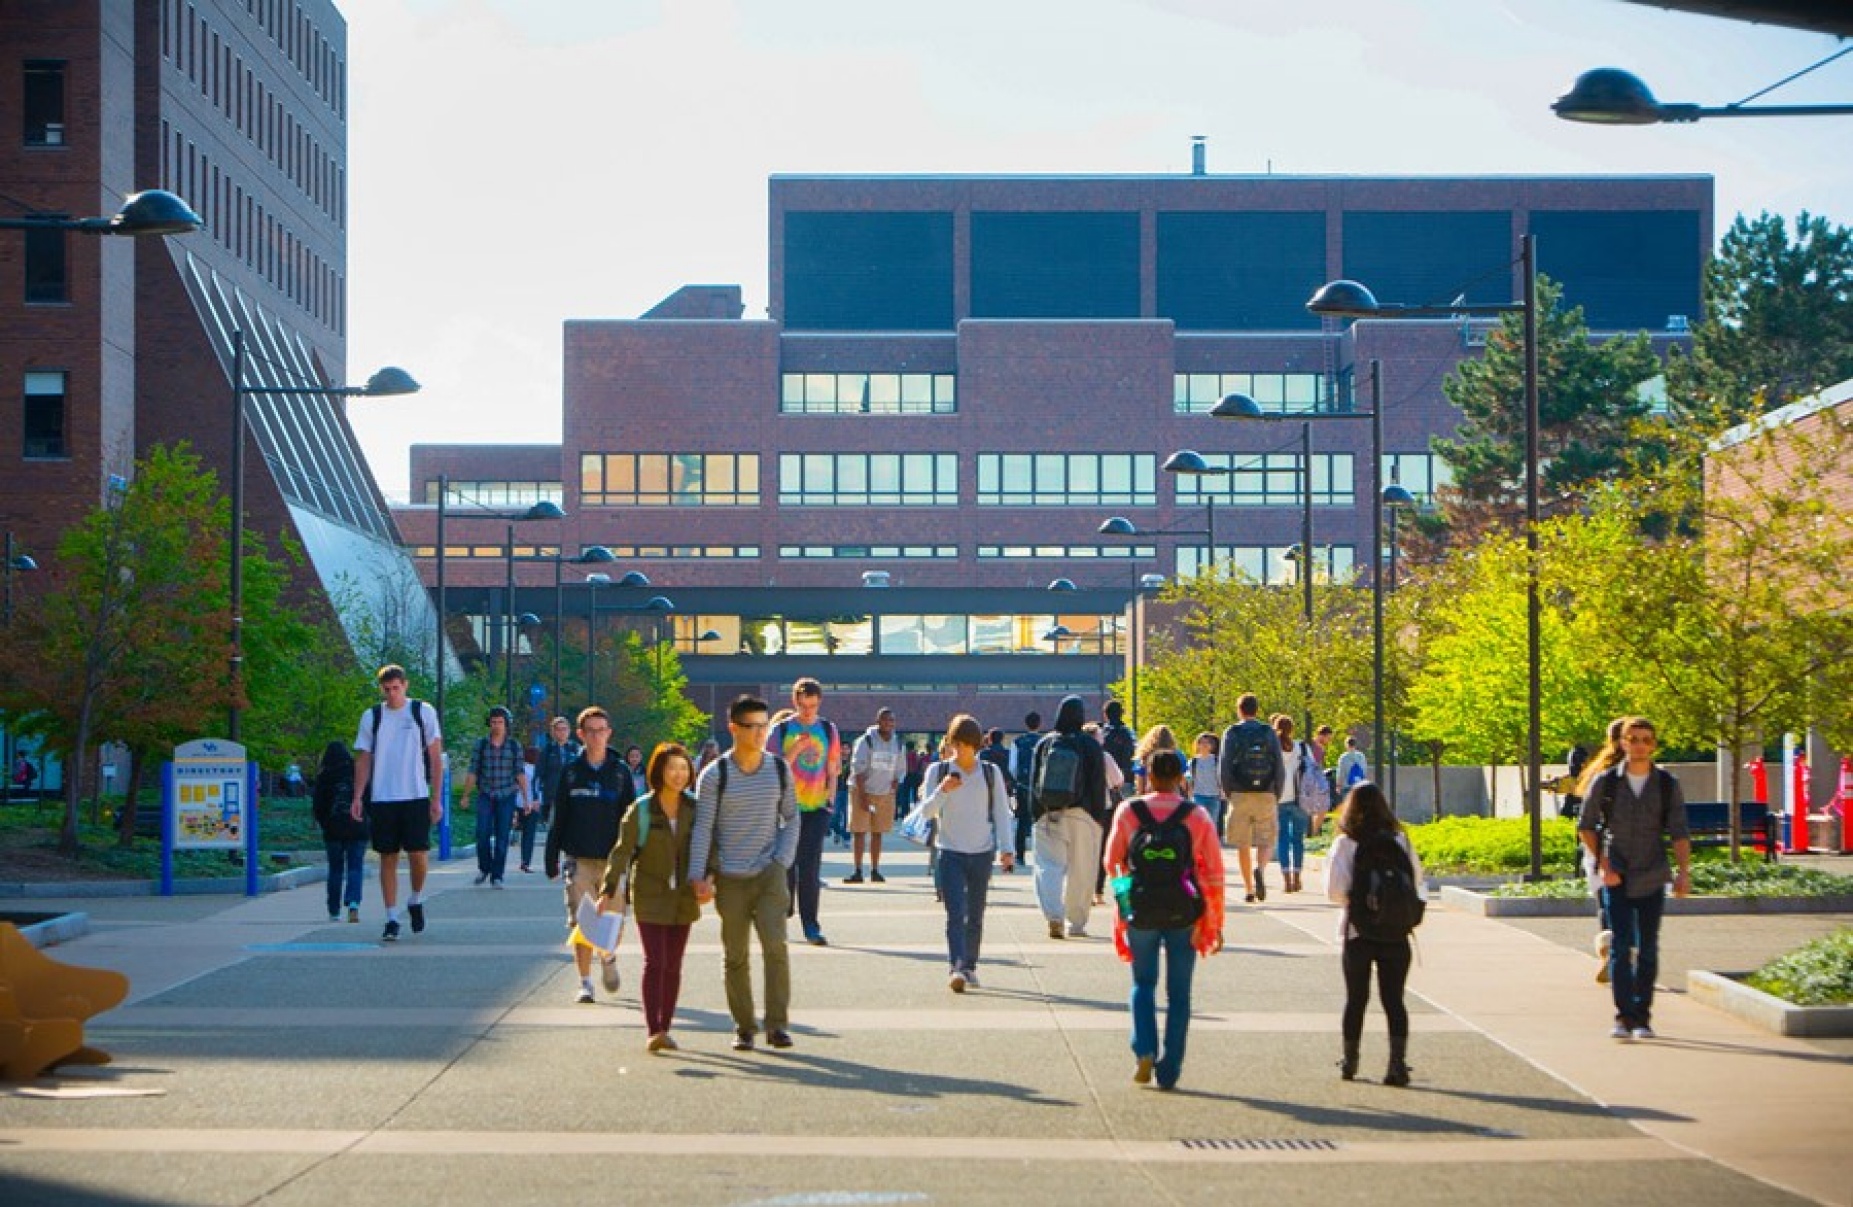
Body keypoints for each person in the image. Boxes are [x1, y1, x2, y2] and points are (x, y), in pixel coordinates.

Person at [1104, 748, 1224, 1090]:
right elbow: (1214, 871)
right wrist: (1212, 919)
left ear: (1148, 774)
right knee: (1180, 994)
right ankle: (1170, 1067)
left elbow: (1112, 862)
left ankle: (1144, 1048)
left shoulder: (1130, 811)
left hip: (1141, 907)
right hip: (1182, 909)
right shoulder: (1197, 815)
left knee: (1143, 983)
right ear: (1180, 777)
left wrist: (1125, 900)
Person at [690, 695, 800, 1052]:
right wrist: (699, 875)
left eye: (764, 726)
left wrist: (782, 860)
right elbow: (703, 828)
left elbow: (792, 817)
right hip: (730, 877)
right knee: (735, 954)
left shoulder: (779, 770)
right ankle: (743, 1026)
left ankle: (777, 1025)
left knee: (775, 947)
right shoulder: (714, 775)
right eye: (752, 727)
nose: (760, 733)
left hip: (769, 873)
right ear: (733, 728)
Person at [1578, 716, 1691, 1041]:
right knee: (1621, 945)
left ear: (1653, 745)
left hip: (1653, 873)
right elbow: (1586, 825)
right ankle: (1624, 1016)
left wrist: (1684, 872)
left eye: (1645, 739)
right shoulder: (1606, 782)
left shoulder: (1667, 784)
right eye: (1633, 738)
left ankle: (1643, 1017)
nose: (1639, 745)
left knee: (1648, 948)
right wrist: (1603, 864)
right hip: (1617, 873)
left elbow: (1679, 831)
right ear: (1623, 743)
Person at [600, 742, 702, 1052]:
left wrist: (710, 878)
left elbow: (708, 848)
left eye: (683, 768)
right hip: (649, 892)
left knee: (673, 964)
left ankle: (665, 1027)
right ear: (659, 771)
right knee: (655, 961)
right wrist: (609, 888)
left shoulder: (695, 809)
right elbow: (621, 852)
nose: (678, 774)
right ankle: (653, 1028)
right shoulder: (642, 809)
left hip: (683, 895)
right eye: (672, 768)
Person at [1326, 781, 1427, 1086]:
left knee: (1356, 998)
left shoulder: (1346, 843)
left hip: (1358, 930)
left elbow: (1335, 891)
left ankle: (1350, 1061)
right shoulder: (1400, 840)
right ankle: (1397, 1063)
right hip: (1396, 931)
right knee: (1394, 999)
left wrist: (1360, 904)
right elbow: (1417, 881)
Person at [918, 715, 1016, 992]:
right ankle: (957, 967)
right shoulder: (937, 772)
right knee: (954, 912)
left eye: (965, 746)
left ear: (976, 746)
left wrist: (1007, 850)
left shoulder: (990, 773)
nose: (959, 752)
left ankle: (970, 965)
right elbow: (925, 812)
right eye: (955, 745)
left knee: (975, 913)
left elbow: (1001, 813)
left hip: (982, 852)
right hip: (949, 851)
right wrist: (942, 790)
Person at [348, 664, 444, 944]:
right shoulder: (373, 716)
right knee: (387, 856)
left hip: (414, 793)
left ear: (405, 685)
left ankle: (415, 898)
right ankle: (391, 917)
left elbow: (436, 757)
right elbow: (364, 757)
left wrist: (436, 797)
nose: (392, 694)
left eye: (396, 688)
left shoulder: (421, 712)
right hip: (383, 796)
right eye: (387, 689)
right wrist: (357, 795)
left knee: (418, 854)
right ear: (381, 689)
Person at [545, 706, 634, 1003]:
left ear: (609, 733)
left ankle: (608, 957)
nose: (596, 736)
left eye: (602, 730)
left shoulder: (620, 773)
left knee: (612, 921)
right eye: (590, 731)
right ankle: (584, 981)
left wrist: (634, 856)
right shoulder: (571, 773)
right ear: (581, 734)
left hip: (613, 859)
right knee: (582, 921)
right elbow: (560, 816)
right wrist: (551, 855)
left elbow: (631, 817)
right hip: (578, 857)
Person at [1030, 695, 1110, 939]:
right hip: (1084, 814)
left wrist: (1036, 814)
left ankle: (1054, 915)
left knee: (1048, 866)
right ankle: (1076, 923)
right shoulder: (1090, 745)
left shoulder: (1045, 744)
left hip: (1048, 811)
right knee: (1082, 871)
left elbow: (1033, 781)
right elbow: (1098, 784)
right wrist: (1098, 818)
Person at [768, 678, 840, 946]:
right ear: (795, 702)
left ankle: (811, 924)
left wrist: (830, 800)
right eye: (803, 705)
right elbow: (772, 769)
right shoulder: (782, 729)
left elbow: (832, 768)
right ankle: (784, 909)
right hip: (787, 809)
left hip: (816, 807)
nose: (808, 711)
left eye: (813, 705)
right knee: (786, 864)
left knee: (810, 868)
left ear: (819, 702)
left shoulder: (827, 729)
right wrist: (795, 750)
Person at [1218, 693, 1287, 905]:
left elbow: (1225, 764)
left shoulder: (1232, 732)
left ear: (1239, 710)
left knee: (1243, 842)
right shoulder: (1268, 732)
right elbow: (1278, 765)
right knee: (1266, 839)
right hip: (1266, 791)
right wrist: (1276, 791)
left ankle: (1248, 888)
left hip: (1240, 792)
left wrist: (1229, 791)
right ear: (1257, 710)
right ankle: (1261, 868)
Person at [1576, 719, 1627, 984]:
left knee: (1607, 904)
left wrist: (1596, 854)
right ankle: (1622, 951)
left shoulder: (1597, 773)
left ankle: (1609, 946)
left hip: (1600, 849)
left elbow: (1586, 822)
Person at [459, 706, 529, 888]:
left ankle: (497, 875)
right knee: (482, 833)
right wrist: (466, 795)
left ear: (506, 724)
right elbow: (473, 770)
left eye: (500, 722)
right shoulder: (481, 745)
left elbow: (520, 773)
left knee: (502, 837)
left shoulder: (514, 746)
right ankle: (484, 867)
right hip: (486, 794)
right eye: (493, 722)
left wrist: (526, 799)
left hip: (506, 795)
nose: (496, 726)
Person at [845, 707, 903, 884]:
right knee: (859, 832)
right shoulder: (866, 741)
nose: (889, 724)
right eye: (885, 720)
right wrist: (862, 797)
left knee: (878, 832)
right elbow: (858, 771)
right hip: (861, 791)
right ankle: (857, 870)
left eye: (892, 720)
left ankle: (875, 870)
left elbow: (900, 770)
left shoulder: (898, 744)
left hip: (884, 794)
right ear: (878, 721)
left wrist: (895, 785)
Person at [312, 741, 366, 923]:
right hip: (357, 826)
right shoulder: (357, 773)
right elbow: (369, 798)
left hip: (333, 829)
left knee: (335, 869)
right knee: (355, 866)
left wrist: (325, 823)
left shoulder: (324, 776)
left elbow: (318, 806)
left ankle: (334, 909)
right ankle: (353, 903)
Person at [527, 715, 580, 873]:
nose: (561, 732)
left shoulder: (575, 750)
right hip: (553, 796)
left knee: (573, 829)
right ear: (553, 732)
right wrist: (536, 797)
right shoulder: (547, 751)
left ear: (569, 731)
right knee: (555, 829)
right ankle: (553, 861)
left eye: (564, 729)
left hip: (573, 797)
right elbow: (538, 776)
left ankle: (570, 860)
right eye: (558, 729)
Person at [1273, 714, 1313, 895]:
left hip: (1279, 797)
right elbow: (1313, 769)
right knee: (1298, 839)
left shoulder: (1273, 748)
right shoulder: (1302, 748)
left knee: (1282, 839)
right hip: (1300, 798)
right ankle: (1297, 877)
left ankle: (1286, 880)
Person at [1009, 712, 1043, 867]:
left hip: (1023, 786)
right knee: (1041, 821)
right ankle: (1041, 855)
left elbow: (1012, 767)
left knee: (1022, 822)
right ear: (1039, 724)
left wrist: (1018, 780)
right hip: (1041, 787)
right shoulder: (1045, 741)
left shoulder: (1017, 742)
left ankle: (1020, 855)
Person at [1186, 732, 1223, 840]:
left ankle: (1210, 844)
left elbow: (1221, 777)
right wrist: (1189, 793)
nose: (1204, 745)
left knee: (1212, 823)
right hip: (1198, 795)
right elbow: (1189, 779)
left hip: (1214, 796)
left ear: (1212, 745)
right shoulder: (1193, 762)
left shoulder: (1217, 761)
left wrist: (1222, 791)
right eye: (1201, 742)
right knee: (1198, 821)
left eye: (1207, 742)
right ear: (1197, 745)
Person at [1132, 725, 1178, 797]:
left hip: (1150, 794)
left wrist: (1139, 796)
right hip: (1172, 795)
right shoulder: (1177, 755)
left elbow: (1140, 781)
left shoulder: (1144, 756)